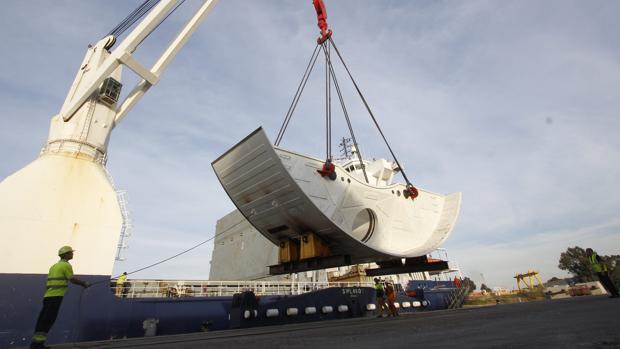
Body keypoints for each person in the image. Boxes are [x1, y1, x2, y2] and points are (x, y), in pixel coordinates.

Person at [31, 246, 89, 349]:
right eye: (71, 253)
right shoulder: (66, 266)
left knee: (42, 319)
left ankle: (35, 343)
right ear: (66, 254)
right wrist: (84, 283)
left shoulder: (54, 266)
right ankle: (38, 345)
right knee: (48, 320)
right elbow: (72, 279)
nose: (72, 254)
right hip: (56, 296)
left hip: (48, 296)